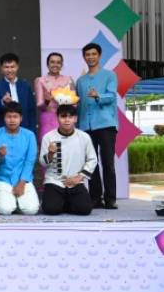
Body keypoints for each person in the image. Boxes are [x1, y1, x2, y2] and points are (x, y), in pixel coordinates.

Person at [76, 42, 119, 210]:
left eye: (94, 54)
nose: (90, 57)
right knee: (91, 163)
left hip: (106, 124)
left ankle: (111, 199)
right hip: (86, 127)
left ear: (99, 56)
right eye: (87, 55)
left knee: (108, 162)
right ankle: (95, 198)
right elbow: (79, 104)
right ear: (84, 57)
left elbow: (112, 96)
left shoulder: (110, 75)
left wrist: (97, 95)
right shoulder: (80, 80)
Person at [40, 105, 97, 216]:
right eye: (63, 116)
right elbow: (43, 163)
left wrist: (79, 177)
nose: (67, 120)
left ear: (75, 119)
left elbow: (92, 159)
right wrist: (50, 154)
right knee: (50, 209)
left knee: (85, 209)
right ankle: (61, 202)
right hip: (54, 181)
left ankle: (64, 202)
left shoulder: (84, 137)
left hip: (75, 181)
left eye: (70, 117)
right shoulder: (48, 137)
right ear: (57, 118)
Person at [0, 102, 39, 215]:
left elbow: (30, 161)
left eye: (15, 117)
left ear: (21, 118)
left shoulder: (29, 135)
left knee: (31, 210)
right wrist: (0, 156)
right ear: (4, 118)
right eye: (9, 116)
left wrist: (22, 183)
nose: (12, 120)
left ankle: (16, 203)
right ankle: (12, 203)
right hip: (3, 179)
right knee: (5, 210)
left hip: (24, 179)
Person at [35, 52, 75, 143]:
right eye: (52, 62)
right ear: (47, 64)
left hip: (66, 118)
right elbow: (39, 105)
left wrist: (67, 102)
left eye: (58, 62)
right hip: (48, 119)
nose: (55, 65)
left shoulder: (69, 80)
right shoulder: (40, 80)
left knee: (67, 147)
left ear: (61, 65)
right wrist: (47, 101)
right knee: (49, 146)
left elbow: (75, 104)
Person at [0, 53, 37, 133]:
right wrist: (3, 102)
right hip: (4, 130)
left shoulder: (25, 86)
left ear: (17, 67)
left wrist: (32, 131)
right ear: (1, 68)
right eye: (6, 67)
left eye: (12, 67)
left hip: (24, 128)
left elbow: (31, 110)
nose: (9, 70)